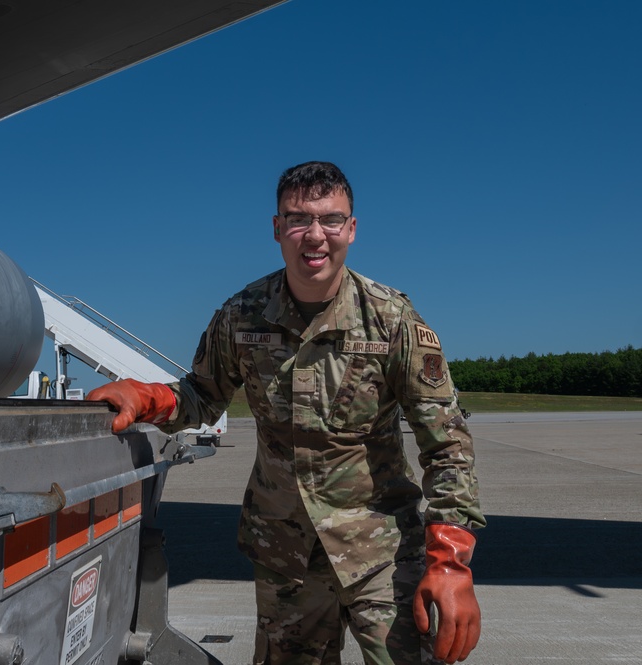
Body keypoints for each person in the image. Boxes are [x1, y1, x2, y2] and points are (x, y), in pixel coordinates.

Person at [87, 161, 485, 665]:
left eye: (331, 220)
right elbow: (202, 395)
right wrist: (150, 399)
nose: (315, 236)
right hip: (286, 558)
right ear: (277, 228)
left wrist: (450, 561)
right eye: (299, 219)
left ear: (352, 229)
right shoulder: (242, 315)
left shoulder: (392, 320)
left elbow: (448, 444)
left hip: (380, 553)